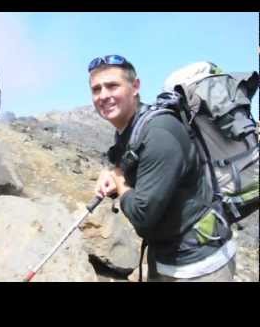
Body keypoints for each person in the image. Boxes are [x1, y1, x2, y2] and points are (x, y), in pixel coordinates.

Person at [89, 55, 236, 282]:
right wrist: (112, 172)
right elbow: (132, 163)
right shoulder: (131, 128)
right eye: (96, 89)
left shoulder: (159, 132)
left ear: (135, 86)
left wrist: (119, 181)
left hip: (200, 266)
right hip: (168, 257)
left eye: (112, 85)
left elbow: (142, 216)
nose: (103, 95)